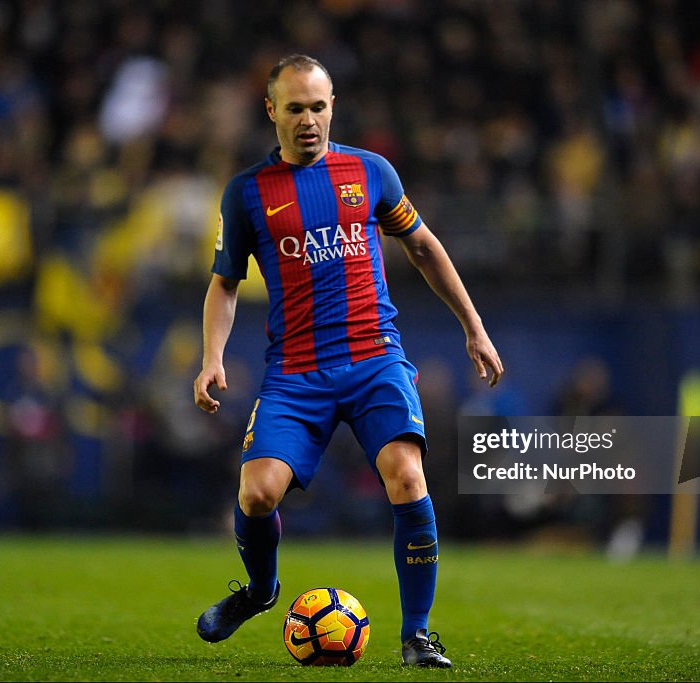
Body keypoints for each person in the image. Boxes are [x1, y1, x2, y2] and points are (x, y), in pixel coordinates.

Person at [192, 54, 504, 668]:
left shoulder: (370, 172)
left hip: (374, 359)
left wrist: (474, 327)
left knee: (408, 478)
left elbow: (422, 246)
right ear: (271, 112)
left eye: (318, 107)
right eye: (295, 109)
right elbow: (224, 283)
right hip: (296, 373)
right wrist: (211, 359)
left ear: (332, 107)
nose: (309, 121)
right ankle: (260, 591)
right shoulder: (247, 193)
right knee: (257, 495)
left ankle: (417, 635)